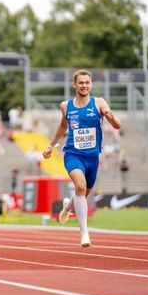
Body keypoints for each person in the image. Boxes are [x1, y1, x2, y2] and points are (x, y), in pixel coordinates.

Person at [42, 69, 121, 247]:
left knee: (83, 193)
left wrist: (111, 117)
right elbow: (62, 128)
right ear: (75, 85)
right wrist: (50, 146)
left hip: (92, 157)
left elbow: (117, 125)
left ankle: (67, 208)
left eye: (87, 83)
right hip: (73, 154)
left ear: (91, 84)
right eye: (81, 83)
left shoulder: (99, 103)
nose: (84, 86)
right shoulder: (66, 106)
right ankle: (84, 233)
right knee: (80, 185)